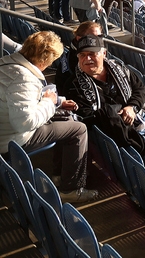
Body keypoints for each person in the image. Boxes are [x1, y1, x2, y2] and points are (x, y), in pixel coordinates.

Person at [0, 30, 98, 203]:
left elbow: (21, 100)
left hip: (5, 127)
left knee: (67, 118)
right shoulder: (23, 78)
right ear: (45, 59)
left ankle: (60, 174)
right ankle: (71, 189)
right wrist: (48, 103)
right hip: (11, 140)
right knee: (79, 129)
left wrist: (57, 102)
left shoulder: (8, 63)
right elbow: (24, 122)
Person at [67, 36, 145, 166]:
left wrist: (131, 107)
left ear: (104, 53)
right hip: (114, 130)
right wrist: (119, 115)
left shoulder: (119, 68)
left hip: (137, 116)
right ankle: (139, 169)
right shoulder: (73, 85)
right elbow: (86, 116)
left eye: (92, 54)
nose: (87, 59)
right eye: (82, 55)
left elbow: (140, 89)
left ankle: (140, 157)